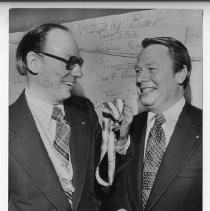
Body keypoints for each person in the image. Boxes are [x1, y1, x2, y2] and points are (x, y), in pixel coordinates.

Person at [9, 23, 133, 211]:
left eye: (79, 63)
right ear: (34, 63)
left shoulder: (85, 111)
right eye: (69, 61)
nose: (78, 72)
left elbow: (101, 187)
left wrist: (120, 139)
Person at [101, 37, 202, 211]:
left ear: (180, 74)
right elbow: (102, 189)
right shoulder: (127, 128)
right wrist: (121, 141)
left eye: (152, 69)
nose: (140, 78)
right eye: (138, 70)